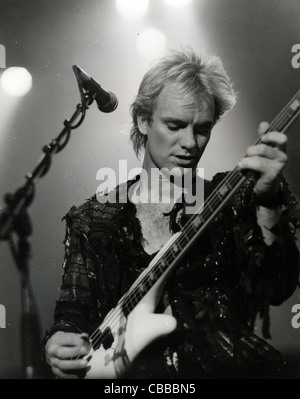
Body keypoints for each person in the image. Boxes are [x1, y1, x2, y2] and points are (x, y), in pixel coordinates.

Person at [43, 47, 299, 379]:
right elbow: (74, 313)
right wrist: (61, 340)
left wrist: (268, 202)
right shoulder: (94, 219)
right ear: (143, 120)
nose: (190, 142)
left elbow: (277, 288)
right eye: (175, 125)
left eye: (203, 129)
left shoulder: (231, 199)